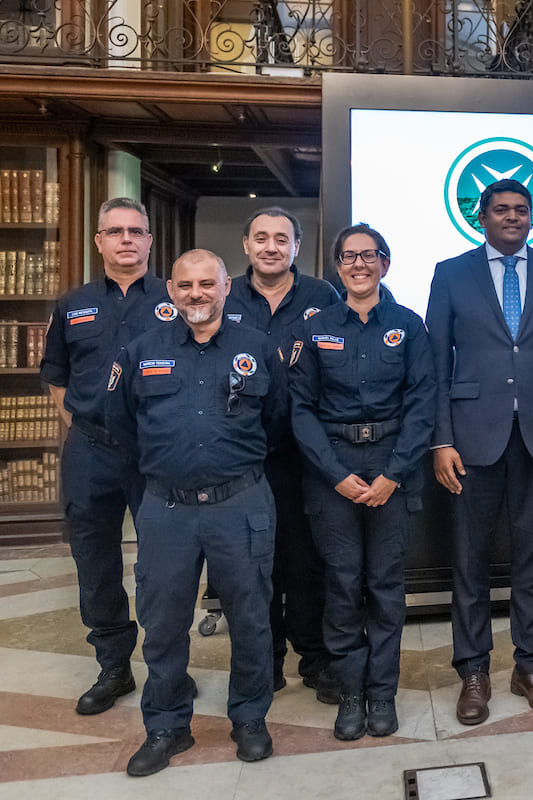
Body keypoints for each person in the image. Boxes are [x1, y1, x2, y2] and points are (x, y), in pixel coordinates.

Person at [107, 250, 285, 775]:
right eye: (185, 286)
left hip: (241, 503)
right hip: (166, 508)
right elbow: (120, 425)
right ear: (170, 290)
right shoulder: (142, 350)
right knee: (162, 622)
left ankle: (250, 718)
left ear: (225, 288)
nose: (196, 295)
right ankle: (166, 725)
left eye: (207, 284)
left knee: (252, 619)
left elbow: (277, 419)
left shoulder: (257, 346)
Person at [426, 178, 533, 726]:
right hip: (471, 440)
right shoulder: (451, 273)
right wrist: (441, 439)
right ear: (481, 217)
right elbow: (434, 363)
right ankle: (473, 671)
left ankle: (531, 666)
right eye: (502, 210)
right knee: (470, 561)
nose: (513, 217)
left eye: (522, 210)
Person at [290, 224, 435, 739]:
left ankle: (382, 695)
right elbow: (300, 409)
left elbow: (423, 405)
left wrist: (393, 474)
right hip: (333, 467)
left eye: (369, 256)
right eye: (349, 257)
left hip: (393, 464)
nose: (359, 264)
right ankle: (351, 693)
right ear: (336, 266)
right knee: (343, 584)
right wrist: (336, 474)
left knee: (385, 586)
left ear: (385, 264)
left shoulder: (409, 326)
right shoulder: (316, 326)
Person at [40, 197, 170, 716]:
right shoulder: (72, 304)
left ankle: (166, 669)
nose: (126, 240)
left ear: (149, 241)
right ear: (99, 241)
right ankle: (114, 665)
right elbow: (55, 376)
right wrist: (85, 427)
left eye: (136, 231)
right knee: (95, 560)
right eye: (114, 231)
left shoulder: (172, 298)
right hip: (90, 451)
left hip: (156, 451)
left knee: (163, 564)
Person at [224, 206, 342, 703]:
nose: (271, 246)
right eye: (261, 238)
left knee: (306, 562)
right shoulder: (223, 294)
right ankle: (264, 661)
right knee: (255, 565)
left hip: (308, 454)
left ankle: (315, 660)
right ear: (246, 245)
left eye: (282, 238)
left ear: (296, 246)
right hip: (244, 457)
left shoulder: (322, 296)